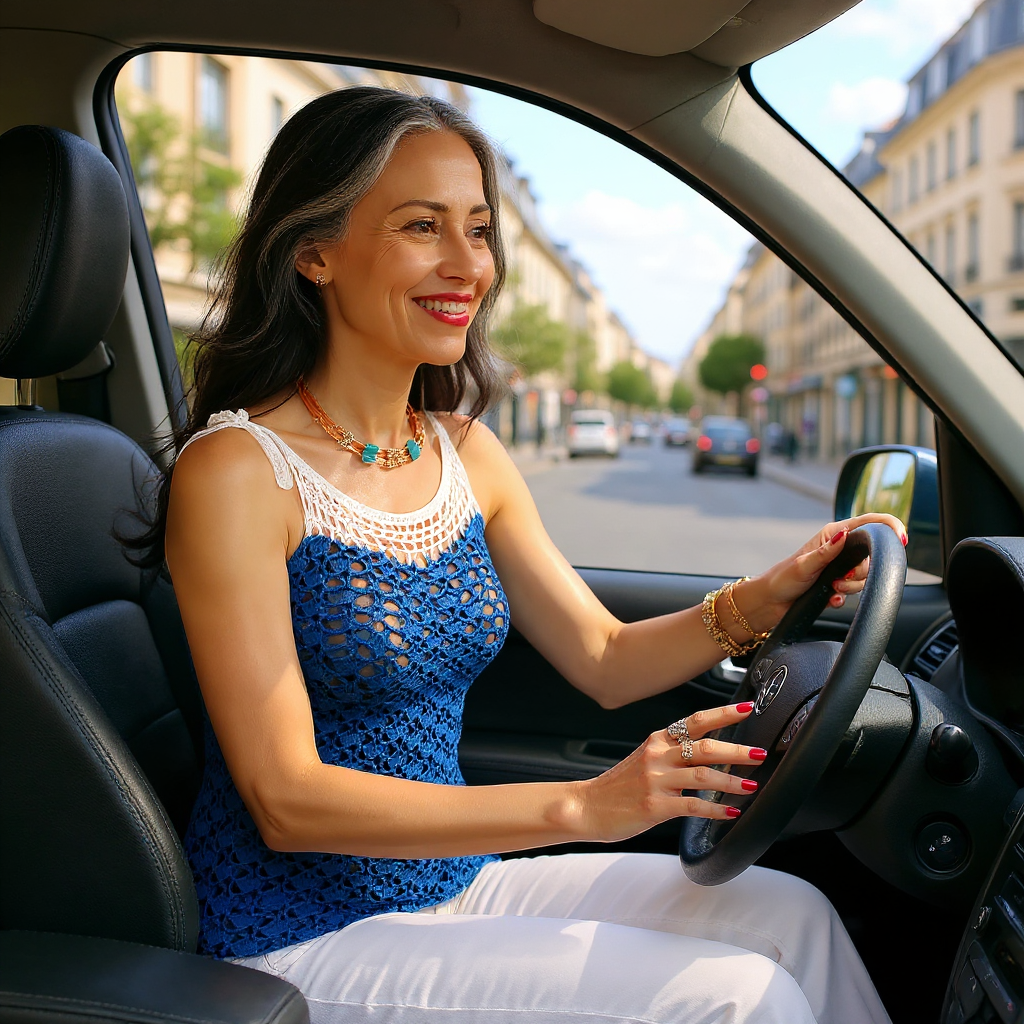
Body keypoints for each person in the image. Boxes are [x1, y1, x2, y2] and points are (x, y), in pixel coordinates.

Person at [156, 87, 905, 1023]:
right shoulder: (236, 471)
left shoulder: (464, 450)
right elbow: (287, 799)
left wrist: (769, 595)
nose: (468, 265)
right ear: (314, 253)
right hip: (294, 934)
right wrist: (586, 805)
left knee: (793, 913)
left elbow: (603, 659)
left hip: (447, 885)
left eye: (479, 229)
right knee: (737, 998)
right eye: (422, 226)